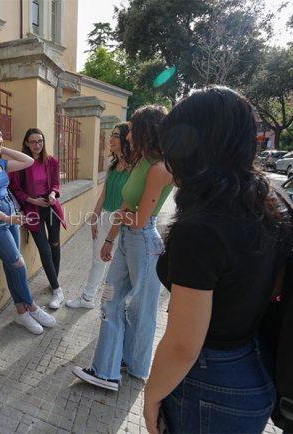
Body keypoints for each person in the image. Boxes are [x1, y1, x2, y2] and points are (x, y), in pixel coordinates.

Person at [143, 86, 288, 434]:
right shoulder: (267, 205)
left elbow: (183, 345)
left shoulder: (201, 230)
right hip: (252, 363)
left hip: (211, 381)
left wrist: (150, 397)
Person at [72, 105, 173, 392]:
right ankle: (107, 370)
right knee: (110, 300)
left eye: (132, 132)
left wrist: (117, 219)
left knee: (142, 310)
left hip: (143, 242)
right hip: (128, 239)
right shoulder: (141, 163)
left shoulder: (160, 168)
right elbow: (126, 204)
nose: (127, 138)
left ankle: (135, 365)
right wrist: (109, 238)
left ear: (146, 132)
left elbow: (140, 219)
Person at [0, 120, 57, 334]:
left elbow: (27, 161)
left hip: (10, 214)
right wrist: (8, 220)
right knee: (18, 262)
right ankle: (32, 306)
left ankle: (20, 313)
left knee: (11, 265)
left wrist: (1, 148)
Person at [65, 123, 132, 309]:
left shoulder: (133, 168)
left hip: (121, 222)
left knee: (118, 267)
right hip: (104, 217)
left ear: (126, 139)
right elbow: (103, 195)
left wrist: (113, 227)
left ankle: (117, 305)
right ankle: (87, 298)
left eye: (116, 136)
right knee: (97, 260)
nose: (111, 139)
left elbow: (128, 201)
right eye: (111, 135)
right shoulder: (113, 166)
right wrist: (94, 219)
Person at [9, 128, 66, 309]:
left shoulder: (51, 161)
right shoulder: (21, 164)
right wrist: (33, 200)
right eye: (33, 142)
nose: (37, 145)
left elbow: (56, 183)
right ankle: (58, 290)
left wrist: (51, 194)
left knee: (55, 245)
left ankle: (53, 282)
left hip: (50, 206)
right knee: (45, 249)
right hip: (33, 209)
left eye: (40, 141)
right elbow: (16, 189)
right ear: (26, 143)